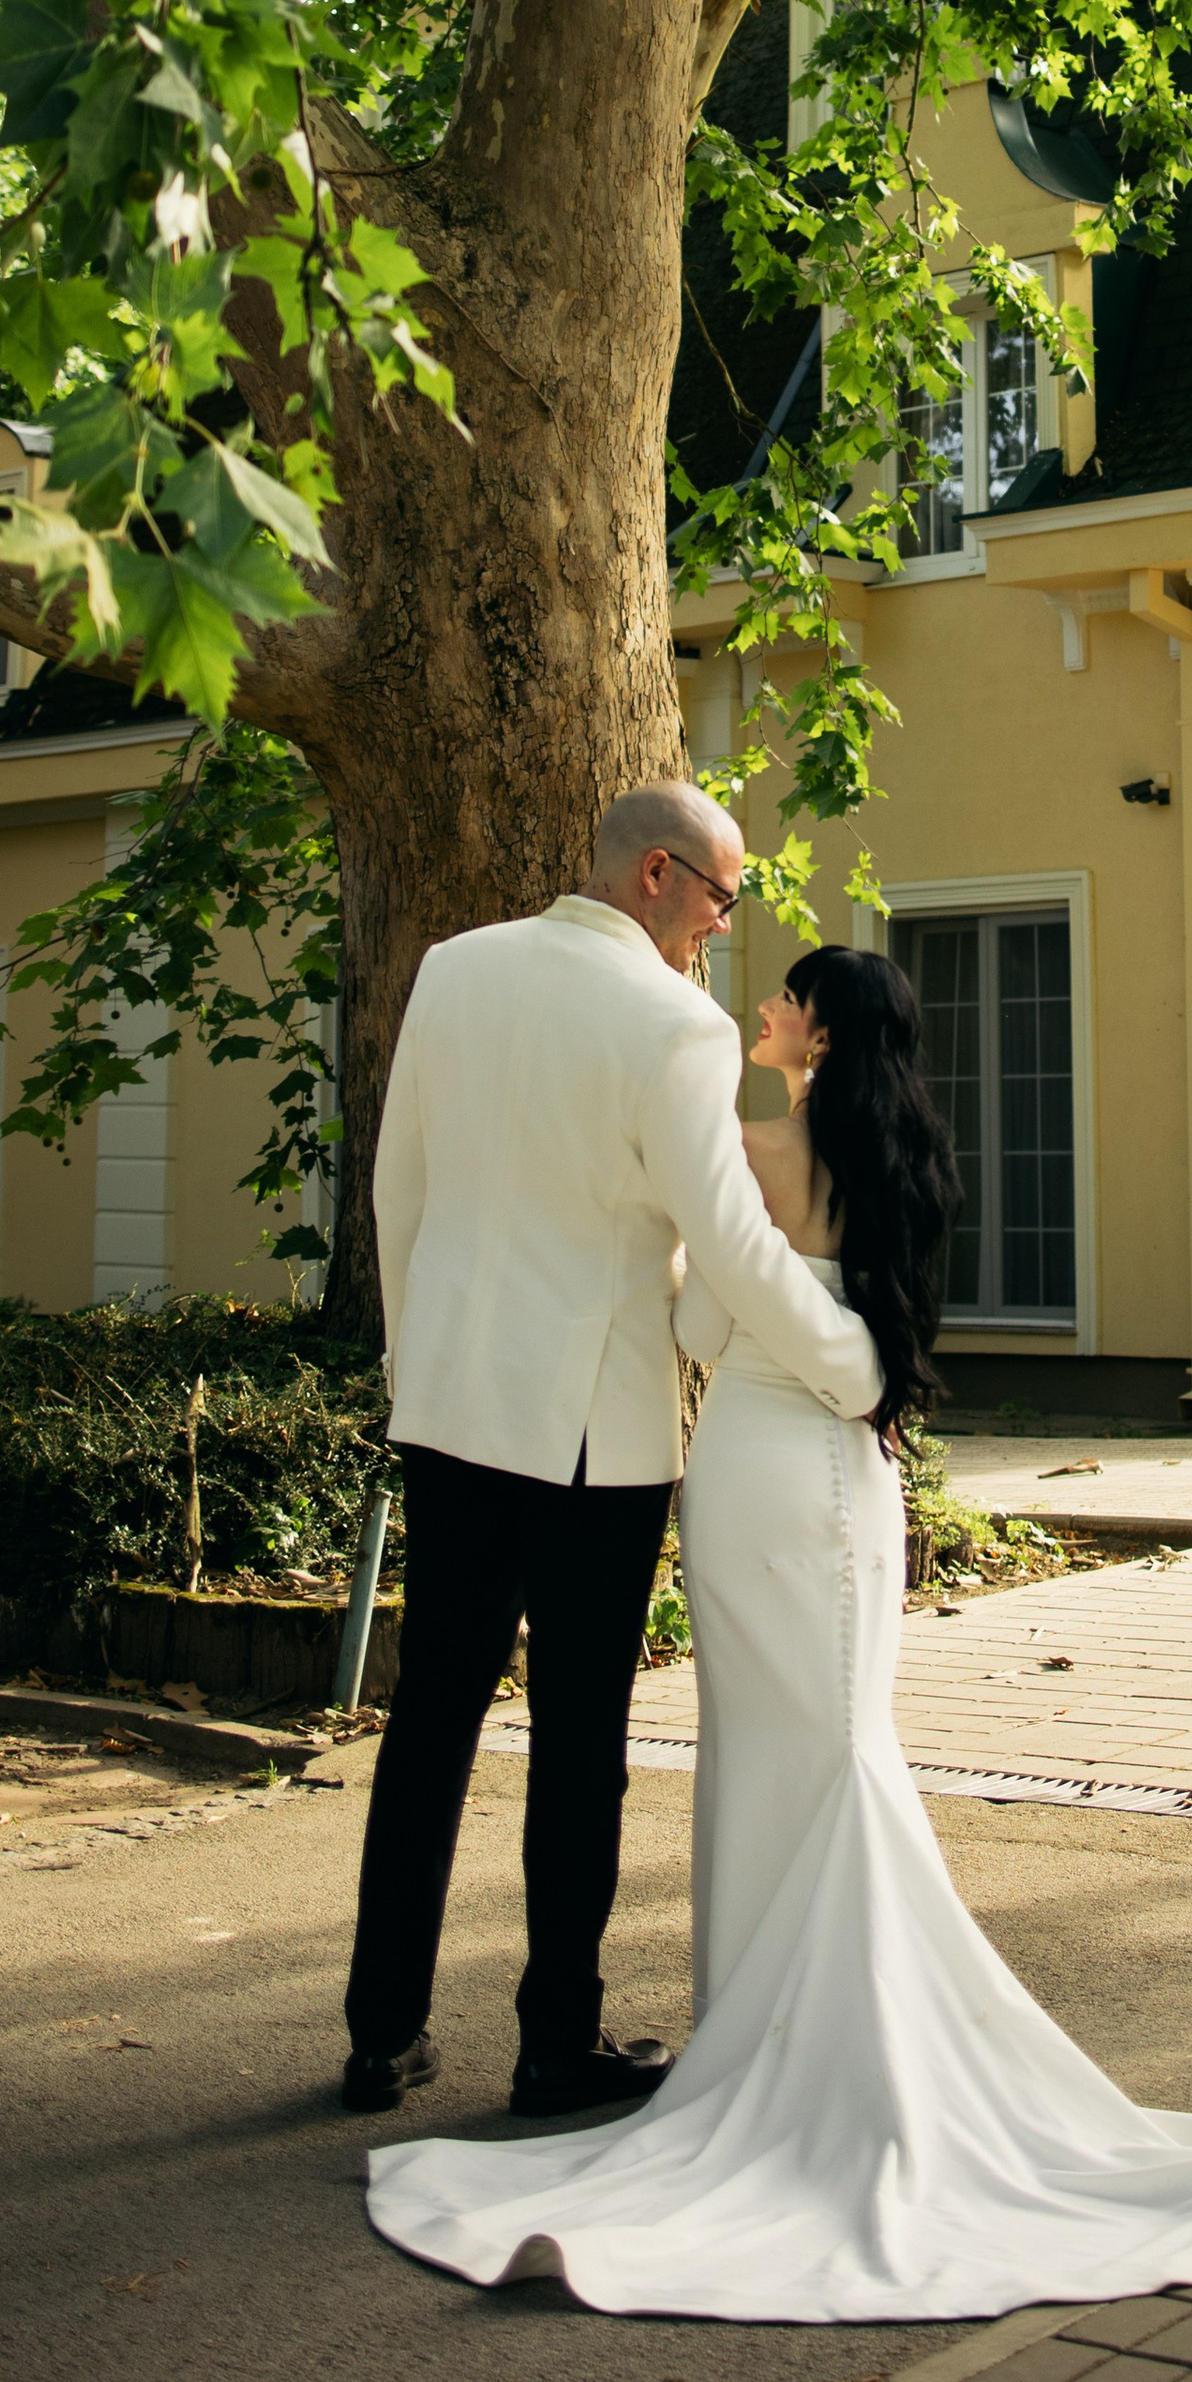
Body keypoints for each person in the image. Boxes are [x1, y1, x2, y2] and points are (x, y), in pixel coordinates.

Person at [363, 944, 1192, 2319]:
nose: (762, 1008)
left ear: (819, 1034)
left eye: (783, 996)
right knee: (844, 1744)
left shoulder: (755, 1154)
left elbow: (711, 1317)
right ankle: (842, 2032)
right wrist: (852, 1364)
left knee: (773, 1753)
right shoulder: (903, 1159)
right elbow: (865, 1333)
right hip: (846, 1484)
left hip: (748, 1478)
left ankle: (774, 2039)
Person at [338, 782, 882, 2121]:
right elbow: (734, 1240)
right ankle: (552, 2046)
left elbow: (396, 1188)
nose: (722, 924)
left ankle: (380, 2033)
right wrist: (853, 1367)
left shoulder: (452, 972)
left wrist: (423, 1366)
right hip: (596, 1434)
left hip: (454, 1413)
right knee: (581, 1740)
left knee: (429, 1727)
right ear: (655, 876)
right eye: (721, 895)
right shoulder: (673, 1024)